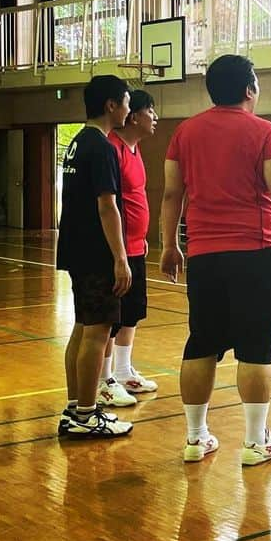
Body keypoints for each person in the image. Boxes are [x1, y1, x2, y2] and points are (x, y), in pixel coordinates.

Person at [160, 54, 271, 465]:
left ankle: (196, 439)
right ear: (249, 89)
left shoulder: (185, 132)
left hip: (204, 256)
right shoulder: (264, 131)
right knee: (255, 348)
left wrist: (168, 244)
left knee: (201, 343)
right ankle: (254, 443)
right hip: (253, 253)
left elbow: (172, 194)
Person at [56, 75, 134, 438]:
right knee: (97, 333)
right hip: (95, 253)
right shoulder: (102, 147)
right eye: (127, 102)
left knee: (83, 328)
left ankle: (76, 407)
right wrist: (120, 257)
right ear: (111, 105)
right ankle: (87, 415)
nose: (129, 109)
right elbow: (108, 206)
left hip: (76, 249)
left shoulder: (77, 142)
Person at [94, 89, 159, 408]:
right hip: (117, 249)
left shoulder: (135, 150)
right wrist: (118, 248)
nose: (155, 118)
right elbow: (109, 204)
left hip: (136, 245)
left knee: (132, 312)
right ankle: (104, 379)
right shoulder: (113, 149)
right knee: (112, 317)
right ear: (133, 116)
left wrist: (141, 236)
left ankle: (122, 371)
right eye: (150, 112)